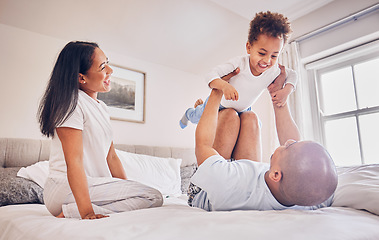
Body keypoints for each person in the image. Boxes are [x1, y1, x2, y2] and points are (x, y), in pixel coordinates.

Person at [38, 41, 163, 220]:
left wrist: (128, 190)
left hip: (92, 186)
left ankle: (73, 209)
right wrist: (87, 212)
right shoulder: (71, 104)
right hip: (64, 189)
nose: (110, 71)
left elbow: (111, 156)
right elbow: (74, 162)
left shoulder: (102, 107)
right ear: (82, 78)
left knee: (150, 196)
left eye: (108, 63)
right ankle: (70, 211)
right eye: (103, 67)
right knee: (153, 196)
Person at [188, 89, 338, 211]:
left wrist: (216, 93)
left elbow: (203, 145)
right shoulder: (311, 195)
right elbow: (296, 159)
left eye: (289, 146)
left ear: (276, 174)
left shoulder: (227, 181)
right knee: (250, 118)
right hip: (242, 184)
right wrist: (277, 94)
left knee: (229, 116)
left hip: (206, 190)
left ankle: (210, 111)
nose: (290, 141)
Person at [179, 11, 296, 130]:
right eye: (262, 53)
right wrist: (224, 86)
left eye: (274, 56)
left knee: (256, 126)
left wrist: (287, 90)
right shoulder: (239, 63)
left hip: (244, 109)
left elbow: (292, 74)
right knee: (197, 117)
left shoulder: (273, 70)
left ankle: (200, 106)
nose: (267, 60)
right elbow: (210, 75)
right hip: (220, 104)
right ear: (249, 47)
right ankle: (189, 113)